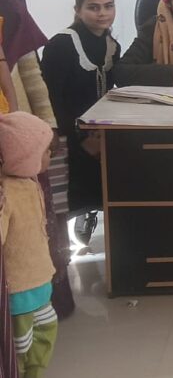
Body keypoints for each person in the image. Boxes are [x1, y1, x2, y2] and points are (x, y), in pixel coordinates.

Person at [0, 0, 73, 323]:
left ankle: (38, 311)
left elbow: (29, 68)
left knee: (30, 224)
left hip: (18, 135)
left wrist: (46, 126)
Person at [41, 0, 121, 244]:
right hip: (66, 133)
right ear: (77, 10)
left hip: (98, 130)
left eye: (108, 6)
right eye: (93, 7)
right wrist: (81, 139)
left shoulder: (112, 45)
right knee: (64, 197)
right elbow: (51, 99)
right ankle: (63, 242)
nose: (102, 13)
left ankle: (99, 218)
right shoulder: (61, 45)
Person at [0, 112, 58, 377]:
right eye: (44, 151)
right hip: (19, 287)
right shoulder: (6, 192)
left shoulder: (30, 183)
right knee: (20, 344)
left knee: (46, 328)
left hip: (40, 279)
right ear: (24, 157)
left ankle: (34, 372)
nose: (49, 155)